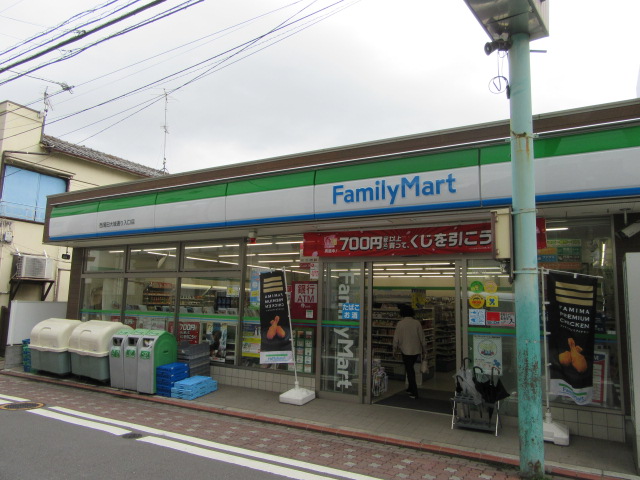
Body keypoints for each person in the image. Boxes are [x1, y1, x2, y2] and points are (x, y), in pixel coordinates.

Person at [393, 304, 426, 399]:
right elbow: (422, 337)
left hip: (405, 350)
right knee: (410, 368)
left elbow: (396, 339)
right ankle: (410, 388)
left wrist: (394, 349)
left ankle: (414, 392)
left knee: (409, 370)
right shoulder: (417, 323)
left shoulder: (400, 324)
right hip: (416, 350)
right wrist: (425, 349)